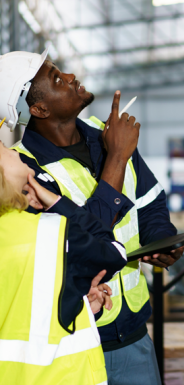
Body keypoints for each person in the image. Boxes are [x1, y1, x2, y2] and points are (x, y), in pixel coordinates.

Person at [0, 49, 184, 385]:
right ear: (38, 108)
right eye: (56, 78)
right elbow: (85, 244)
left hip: (133, 334)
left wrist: (162, 238)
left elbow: (150, 201)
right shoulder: (22, 171)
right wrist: (116, 157)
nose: (70, 77)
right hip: (77, 336)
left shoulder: (110, 134)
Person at [0, 132, 128, 384]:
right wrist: (59, 204)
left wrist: (78, 303)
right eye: (4, 148)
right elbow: (115, 253)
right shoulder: (53, 232)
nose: (15, 152)